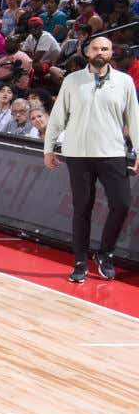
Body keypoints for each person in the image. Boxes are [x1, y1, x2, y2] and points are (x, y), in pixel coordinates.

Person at [42, 34, 139, 283]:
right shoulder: (73, 81)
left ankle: (105, 253)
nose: (100, 52)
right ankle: (80, 262)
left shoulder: (124, 81)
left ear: (111, 53)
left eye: (105, 49)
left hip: (113, 152)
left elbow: (134, 120)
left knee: (122, 203)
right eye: (95, 48)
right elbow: (57, 117)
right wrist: (49, 148)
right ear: (87, 52)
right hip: (78, 153)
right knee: (82, 208)